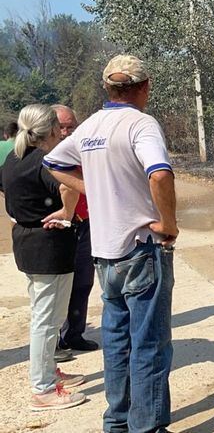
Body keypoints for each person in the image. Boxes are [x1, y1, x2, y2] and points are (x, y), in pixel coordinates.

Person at [44, 55, 178, 432]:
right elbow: (160, 174)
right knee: (149, 344)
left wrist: (95, 191)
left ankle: (117, 422)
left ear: (108, 88)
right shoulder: (141, 124)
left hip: (105, 255)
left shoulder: (90, 127)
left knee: (117, 343)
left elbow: (53, 162)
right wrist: (169, 224)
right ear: (144, 87)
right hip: (141, 250)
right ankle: (146, 427)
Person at [0, 104, 86, 411]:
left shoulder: (12, 158)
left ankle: (49, 372)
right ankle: (43, 388)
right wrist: (66, 211)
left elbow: (6, 193)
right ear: (52, 130)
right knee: (47, 321)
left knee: (43, 315)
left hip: (26, 241)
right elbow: (69, 185)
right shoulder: (46, 160)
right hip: (48, 247)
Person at [52, 105, 98, 352]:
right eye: (61, 127)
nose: (67, 132)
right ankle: (55, 339)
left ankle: (74, 334)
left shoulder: (84, 152)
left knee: (83, 281)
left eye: (71, 126)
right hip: (58, 229)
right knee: (58, 287)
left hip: (85, 224)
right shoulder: (45, 158)